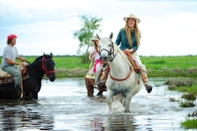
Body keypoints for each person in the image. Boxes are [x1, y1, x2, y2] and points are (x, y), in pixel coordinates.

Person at [115, 13, 153, 93]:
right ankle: (103, 80)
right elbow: (117, 42)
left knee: (140, 65)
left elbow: (136, 46)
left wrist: (131, 50)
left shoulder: (138, 33)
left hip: (132, 53)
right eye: (129, 20)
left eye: (132, 20)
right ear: (127, 22)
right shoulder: (122, 31)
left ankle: (146, 84)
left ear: (135, 22)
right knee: (110, 63)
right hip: (121, 52)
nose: (130, 22)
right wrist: (115, 49)